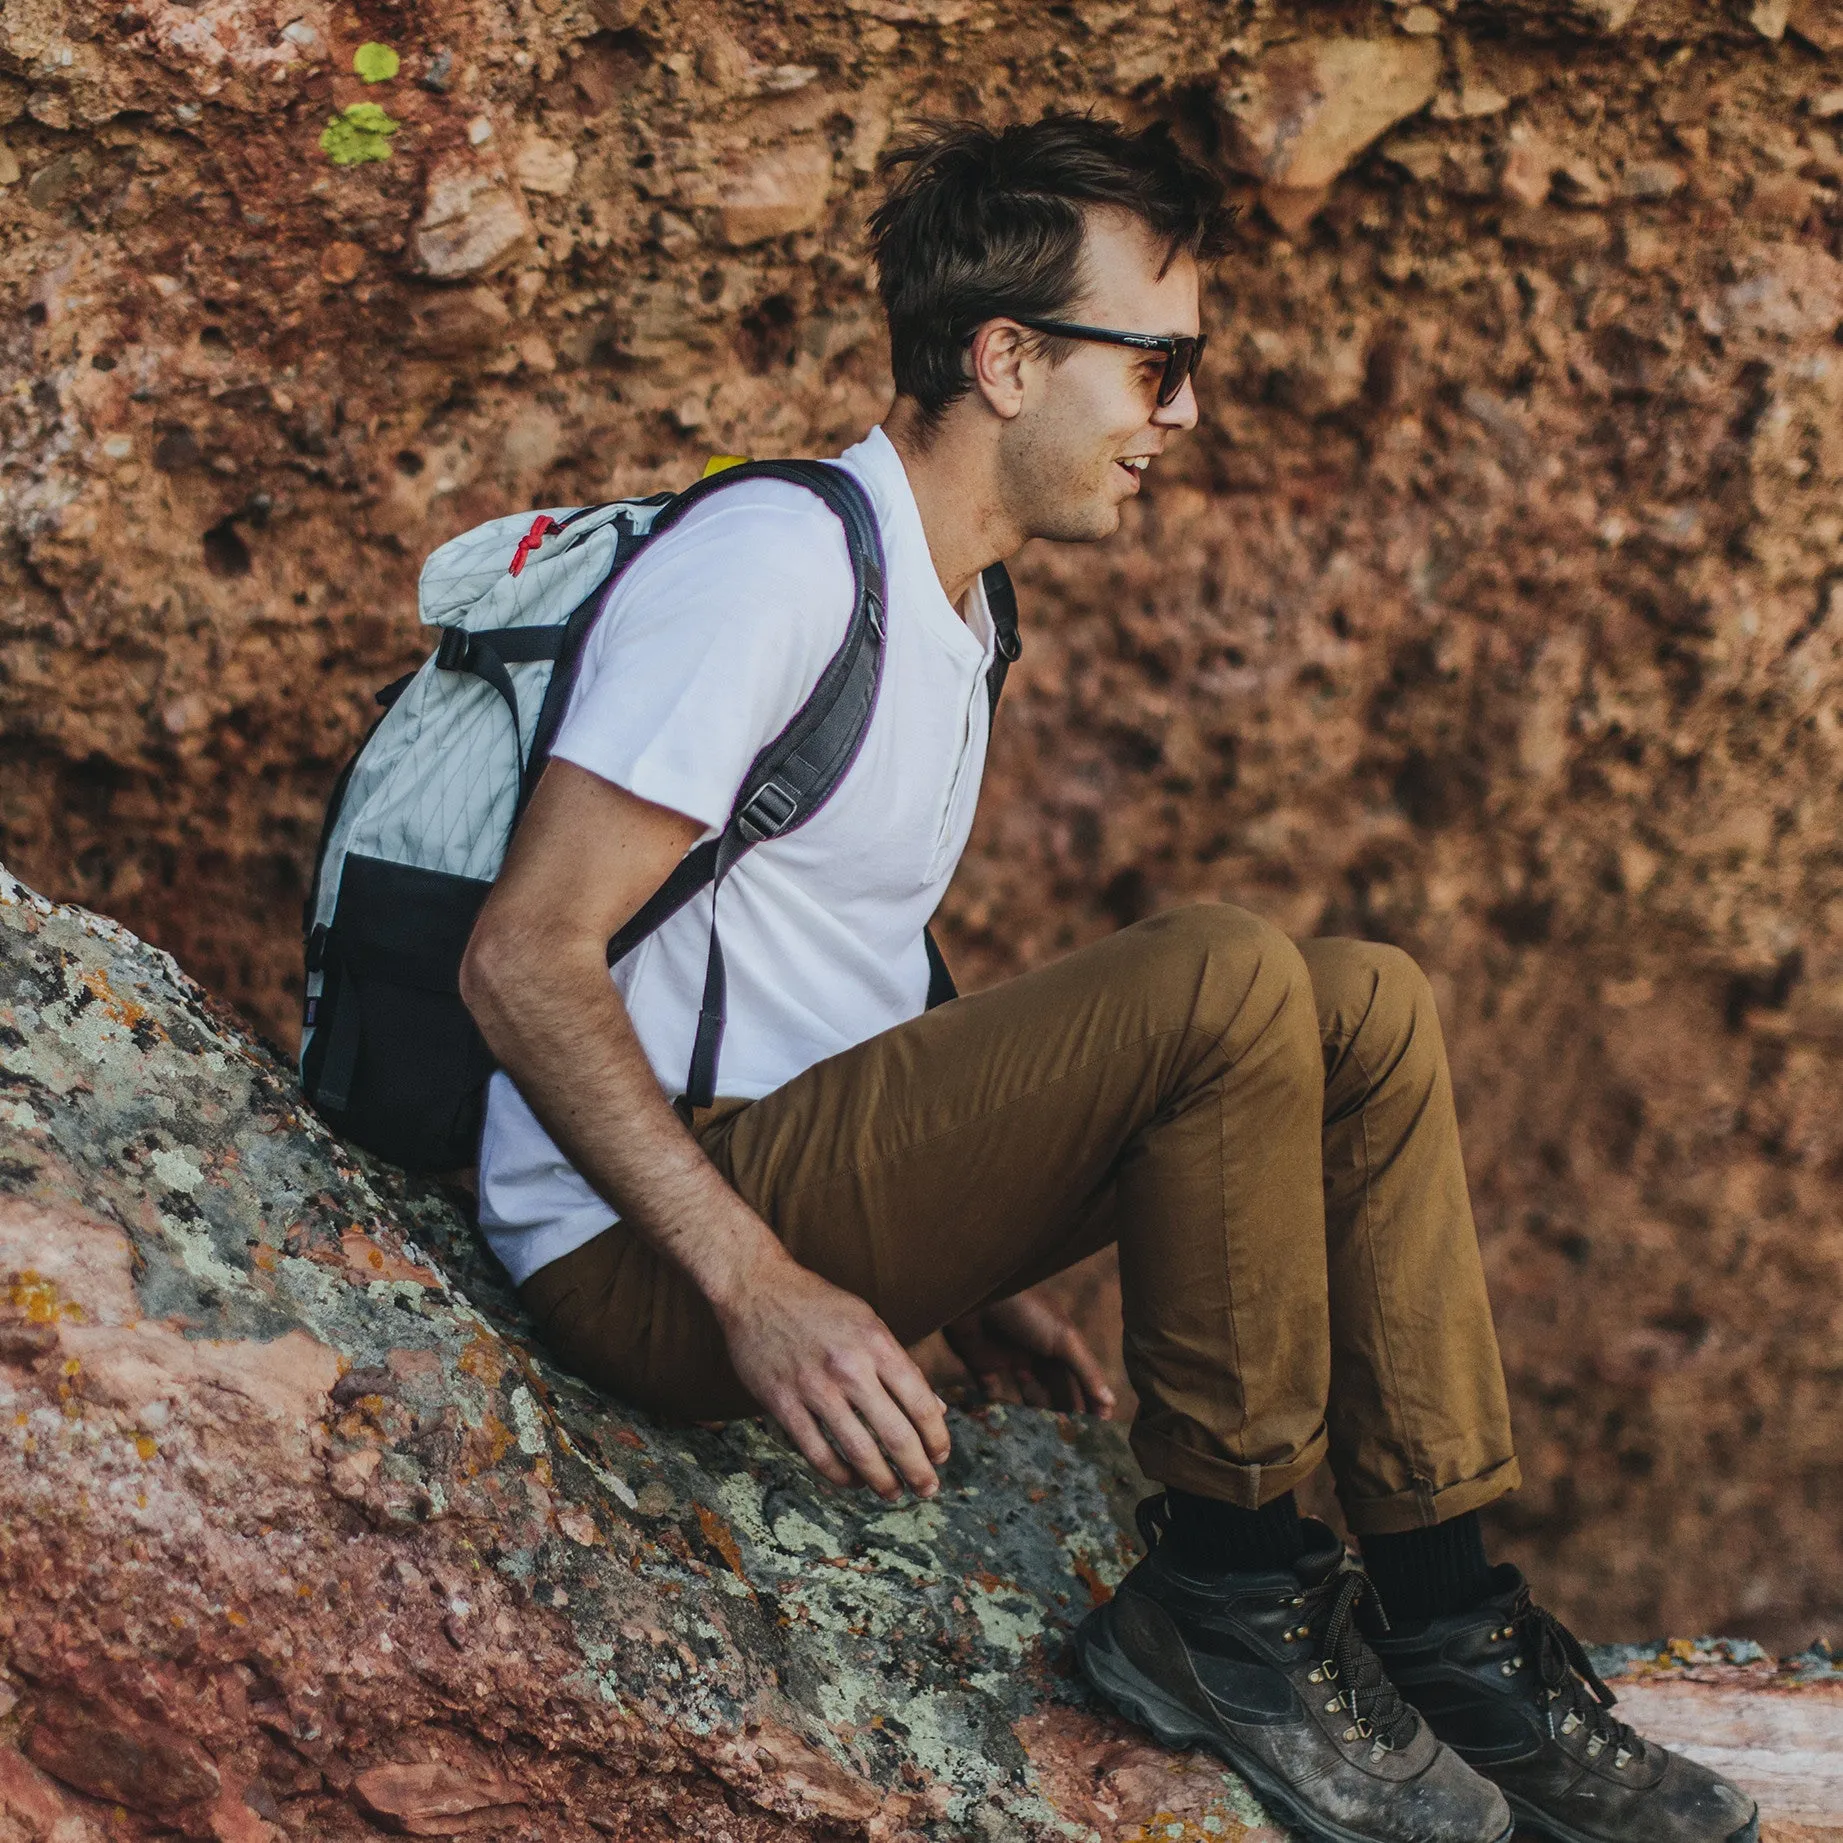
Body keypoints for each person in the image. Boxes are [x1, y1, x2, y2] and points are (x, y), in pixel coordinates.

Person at [458, 115, 1757, 1843]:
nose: (1186, 416)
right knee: (1218, 971)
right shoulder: (772, 564)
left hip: (791, 1162)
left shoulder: (961, 609)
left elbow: (825, 956)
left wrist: (976, 1250)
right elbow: (520, 955)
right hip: (641, 1259)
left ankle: (1441, 1614)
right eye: (1160, 369)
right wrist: (760, 1282)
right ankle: (1221, 1596)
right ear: (1005, 359)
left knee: (1359, 998)